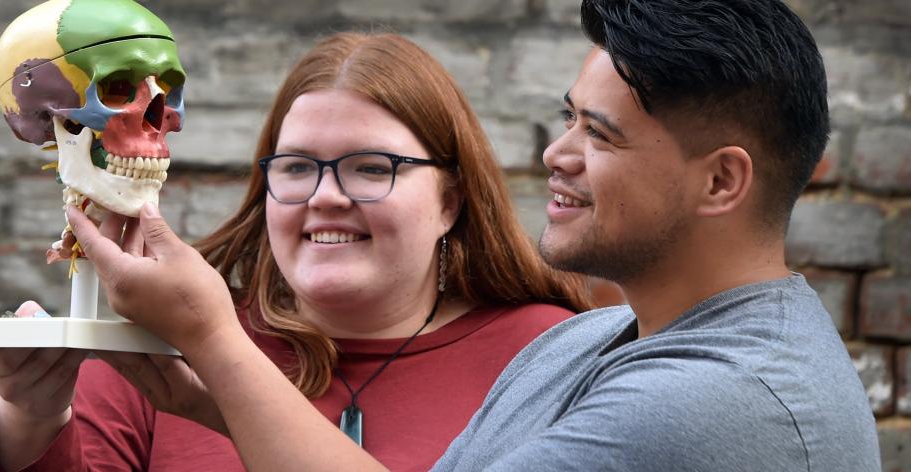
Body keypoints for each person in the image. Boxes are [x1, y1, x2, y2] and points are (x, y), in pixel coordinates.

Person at [63, 0, 882, 470]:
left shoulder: (719, 401)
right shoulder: (584, 346)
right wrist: (212, 393)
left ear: (721, 180)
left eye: (600, 135)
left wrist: (211, 333)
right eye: (568, 118)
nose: (556, 156)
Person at [0, 33, 591, 471]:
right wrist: (30, 418)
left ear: (450, 201)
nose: (325, 197)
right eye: (296, 167)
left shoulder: (549, 356)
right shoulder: (156, 344)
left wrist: (213, 341)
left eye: (372, 168)